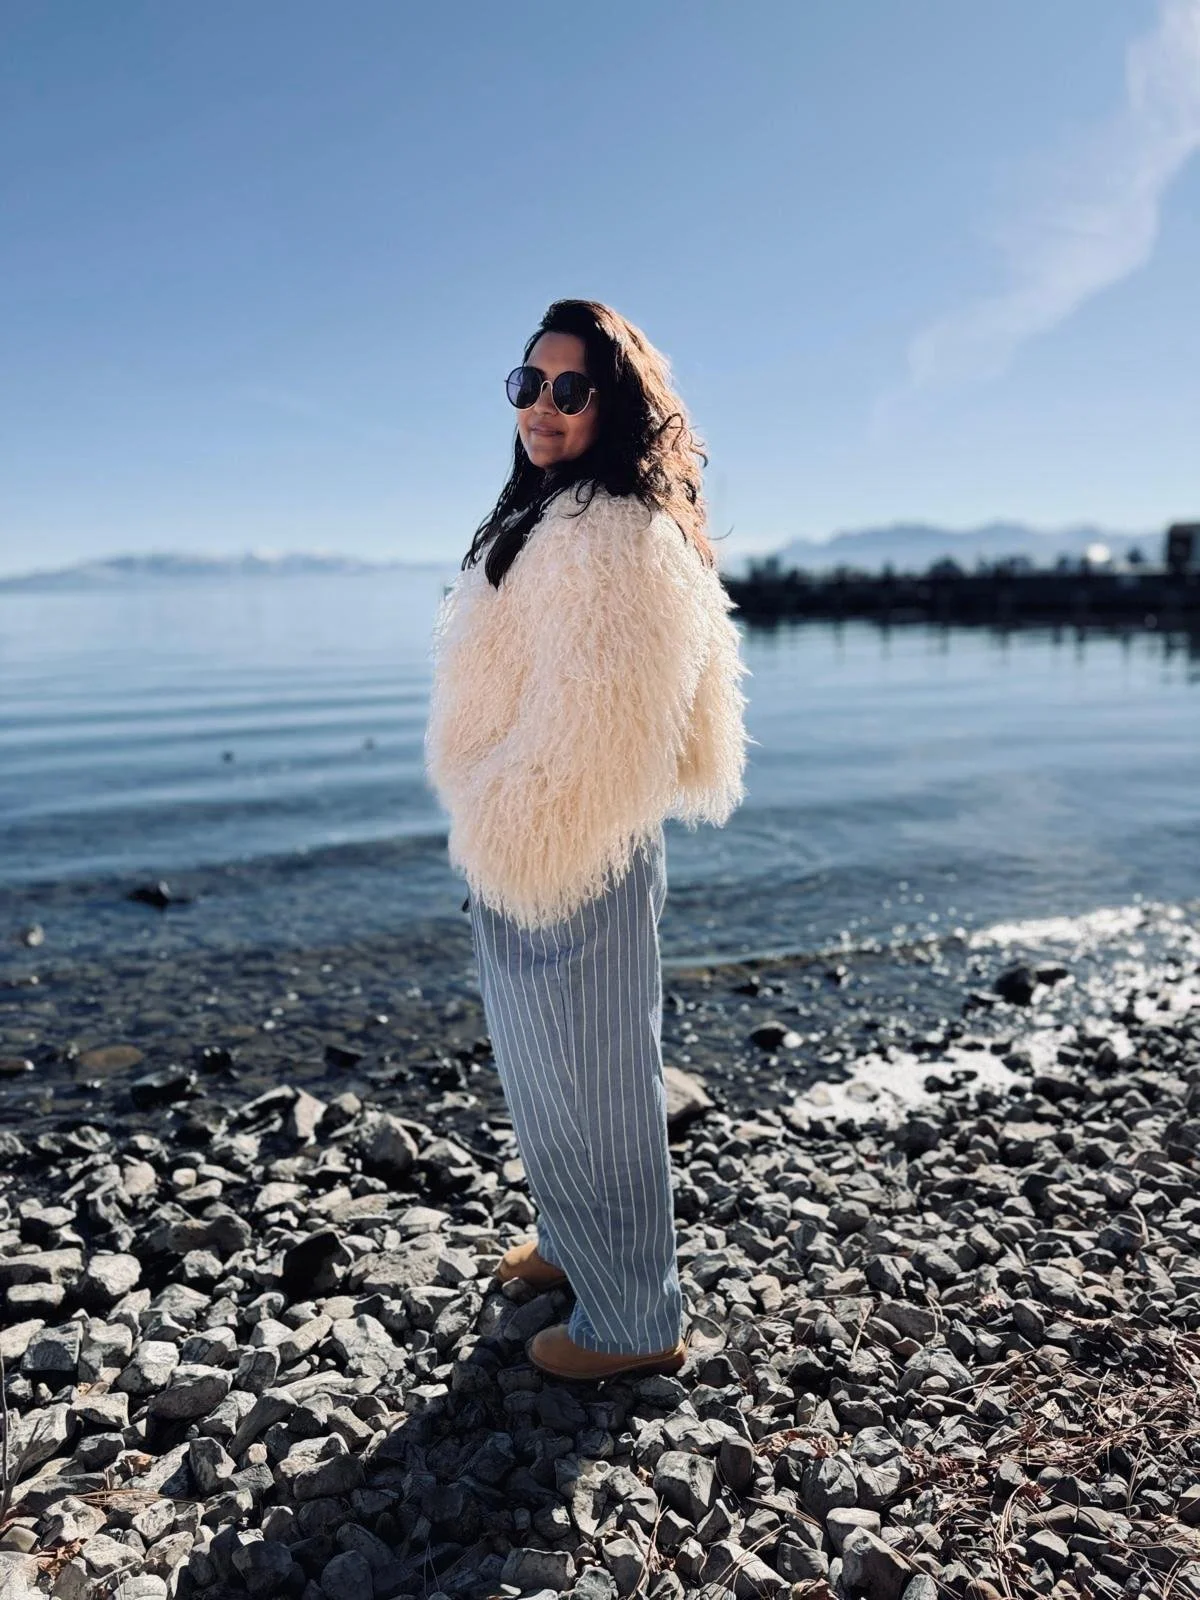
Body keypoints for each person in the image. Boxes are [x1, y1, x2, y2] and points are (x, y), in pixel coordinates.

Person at [423, 298, 754, 1380]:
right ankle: (574, 1242)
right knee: (542, 1067)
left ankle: (634, 1318)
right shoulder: (554, 513)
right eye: (528, 384)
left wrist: (507, 811)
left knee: (598, 1080)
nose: (542, 407)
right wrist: (494, 813)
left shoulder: (612, 531)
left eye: (569, 389)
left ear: (614, 403)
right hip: (525, 833)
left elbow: (601, 725)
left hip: (572, 836)